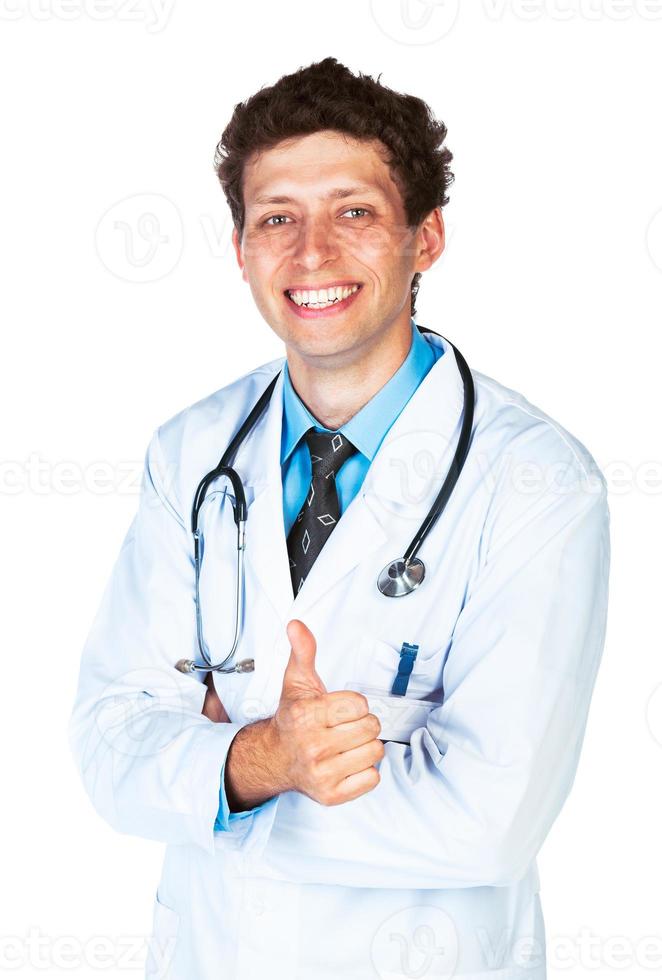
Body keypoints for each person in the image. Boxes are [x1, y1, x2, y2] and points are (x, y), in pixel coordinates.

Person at [69, 57, 610, 980]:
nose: (311, 252)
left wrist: (218, 765)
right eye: (277, 217)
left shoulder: (539, 481)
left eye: (353, 212)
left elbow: (487, 824)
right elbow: (110, 749)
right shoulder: (188, 453)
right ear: (241, 248)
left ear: (425, 236)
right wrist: (281, 757)